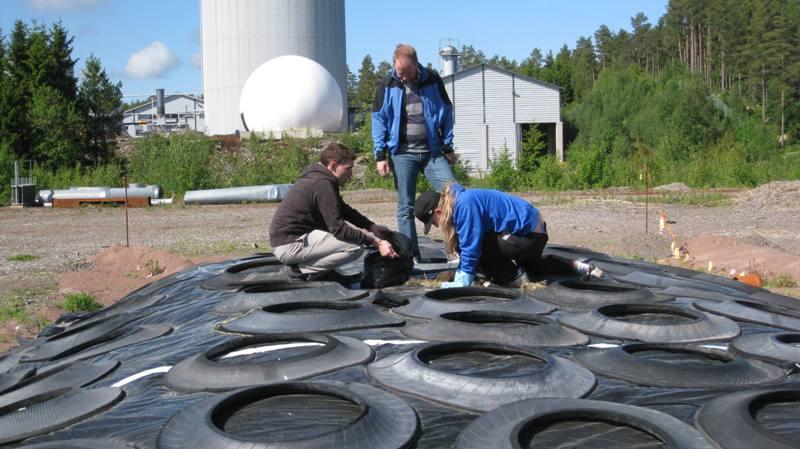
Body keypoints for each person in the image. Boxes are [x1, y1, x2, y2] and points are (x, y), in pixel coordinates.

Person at [372, 43, 457, 261]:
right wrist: (380, 155)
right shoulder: (387, 84)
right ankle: (411, 257)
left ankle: (458, 251)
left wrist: (447, 146)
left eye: (407, 73)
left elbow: (446, 112)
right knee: (405, 207)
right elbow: (379, 120)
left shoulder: (432, 80)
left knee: (455, 196)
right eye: (399, 73)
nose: (403, 78)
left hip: (432, 152)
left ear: (416, 65)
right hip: (402, 153)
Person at [269, 142, 397, 282]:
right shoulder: (322, 183)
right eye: (348, 169)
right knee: (353, 248)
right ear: (332, 166)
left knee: (338, 236)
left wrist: (371, 226)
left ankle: (321, 272)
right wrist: (375, 243)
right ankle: (298, 270)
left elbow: (343, 209)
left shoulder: (321, 178)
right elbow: (339, 229)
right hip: (288, 245)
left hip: (294, 239)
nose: (351, 174)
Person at [414, 182, 548, 288]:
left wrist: (463, 280)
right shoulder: (460, 200)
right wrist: (462, 272)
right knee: (537, 270)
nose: (437, 226)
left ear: (438, 212)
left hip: (530, 238)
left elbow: (470, 247)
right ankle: (566, 264)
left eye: (434, 222)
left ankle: (513, 278)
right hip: (528, 236)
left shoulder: (464, 204)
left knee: (476, 246)